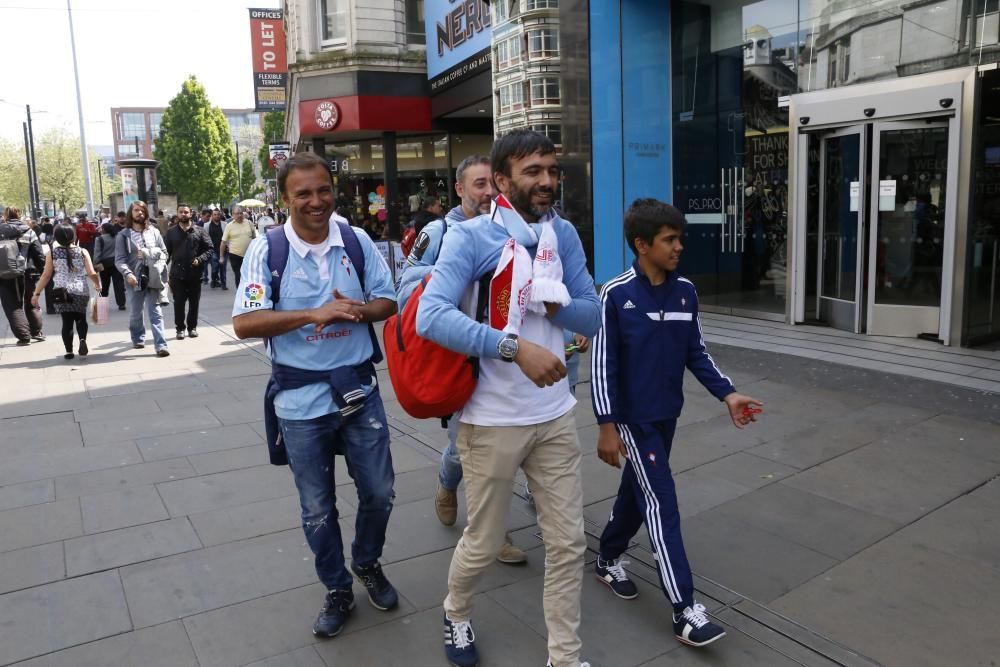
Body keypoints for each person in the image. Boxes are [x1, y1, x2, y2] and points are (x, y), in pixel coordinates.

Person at [417, 130, 601, 667]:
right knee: (484, 538)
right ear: (501, 180)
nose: (546, 181)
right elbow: (431, 315)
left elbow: (591, 311)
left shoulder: (561, 234)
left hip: (554, 415)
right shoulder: (472, 237)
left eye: (551, 169)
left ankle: (564, 657)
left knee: (568, 543)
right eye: (532, 171)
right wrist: (511, 346)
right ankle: (455, 612)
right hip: (492, 420)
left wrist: (554, 302)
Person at [232, 152, 399, 639]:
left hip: (359, 393)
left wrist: (361, 311)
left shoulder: (356, 240)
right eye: (302, 193)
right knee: (317, 507)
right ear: (284, 199)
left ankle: (366, 562)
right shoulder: (270, 251)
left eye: (323, 190)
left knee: (380, 493)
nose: (315, 201)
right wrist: (314, 314)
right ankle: (338, 588)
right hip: (301, 402)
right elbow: (244, 322)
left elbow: (388, 300)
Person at [590, 199, 762, 649]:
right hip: (632, 420)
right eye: (669, 240)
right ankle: (684, 609)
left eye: (679, 238)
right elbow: (603, 364)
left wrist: (728, 393)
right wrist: (607, 425)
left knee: (638, 489)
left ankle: (607, 558)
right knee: (661, 501)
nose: (679, 247)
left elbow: (696, 352)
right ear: (641, 244)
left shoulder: (685, 292)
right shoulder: (617, 294)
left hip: (667, 415)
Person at [398, 155, 527, 566]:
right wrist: (453, 275)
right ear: (459, 189)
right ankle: (447, 483)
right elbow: (405, 291)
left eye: (493, 184)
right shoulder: (438, 232)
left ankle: (495, 529)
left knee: (501, 450)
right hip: (459, 359)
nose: (488, 192)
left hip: (504, 359)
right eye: (479, 185)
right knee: (463, 447)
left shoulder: (513, 229)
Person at [31, 222, 100, 359]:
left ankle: (69, 351)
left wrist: (36, 294)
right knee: (81, 318)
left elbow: (46, 276)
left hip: (62, 292)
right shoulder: (82, 252)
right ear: (73, 236)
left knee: (67, 321)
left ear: (56, 237)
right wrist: (98, 284)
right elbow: (91, 272)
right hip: (81, 290)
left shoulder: (53, 253)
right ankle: (82, 340)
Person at [115, 200, 170, 357]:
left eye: (142, 210)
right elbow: (119, 260)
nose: (139, 213)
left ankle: (161, 345)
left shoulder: (154, 232)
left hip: (153, 278)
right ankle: (138, 337)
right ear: (130, 214)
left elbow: (165, 253)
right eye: (136, 210)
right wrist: (128, 274)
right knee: (135, 313)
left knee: (156, 312)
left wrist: (149, 253)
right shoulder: (123, 236)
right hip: (134, 280)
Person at [164, 203, 212, 339]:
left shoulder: (200, 231)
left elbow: (209, 248)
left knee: (194, 303)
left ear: (190, 214)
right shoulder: (171, 232)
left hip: (195, 274)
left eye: (186, 212)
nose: (183, 214)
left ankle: (192, 327)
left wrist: (200, 259)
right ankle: (180, 328)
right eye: (181, 212)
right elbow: (166, 253)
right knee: (178, 302)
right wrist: (162, 272)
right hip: (177, 275)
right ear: (177, 214)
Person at [0, 207, 45, 346]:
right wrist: (44, 271)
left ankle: (24, 337)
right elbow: (38, 253)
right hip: (28, 272)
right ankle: (36, 332)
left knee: (12, 305)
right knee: (31, 301)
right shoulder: (29, 231)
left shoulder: (1, 231)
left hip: (6, 274)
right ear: (19, 215)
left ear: (6, 216)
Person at [93, 222, 126, 310]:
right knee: (119, 284)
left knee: (104, 284)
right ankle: (121, 304)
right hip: (117, 262)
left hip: (104, 264)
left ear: (103, 229)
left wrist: (94, 265)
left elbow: (97, 254)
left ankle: (102, 305)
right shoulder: (118, 237)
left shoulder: (99, 239)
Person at [220, 205, 255, 286]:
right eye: (237, 214)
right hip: (235, 255)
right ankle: (240, 294)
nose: (239, 215)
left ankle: (249, 295)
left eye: (240, 213)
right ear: (233, 214)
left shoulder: (249, 223)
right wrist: (221, 257)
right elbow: (223, 242)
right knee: (238, 275)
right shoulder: (229, 226)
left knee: (249, 275)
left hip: (249, 255)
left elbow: (254, 239)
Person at [206, 209, 228, 289]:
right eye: (214, 214)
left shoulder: (225, 224)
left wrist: (228, 246)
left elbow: (228, 236)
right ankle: (214, 280)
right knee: (215, 267)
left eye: (218, 214)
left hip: (224, 249)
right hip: (213, 250)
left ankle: (223, 284)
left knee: (223, 267)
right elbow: (205, 237)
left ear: (220, 215)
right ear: (212, 215)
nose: (216, 216)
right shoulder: (207, 225)